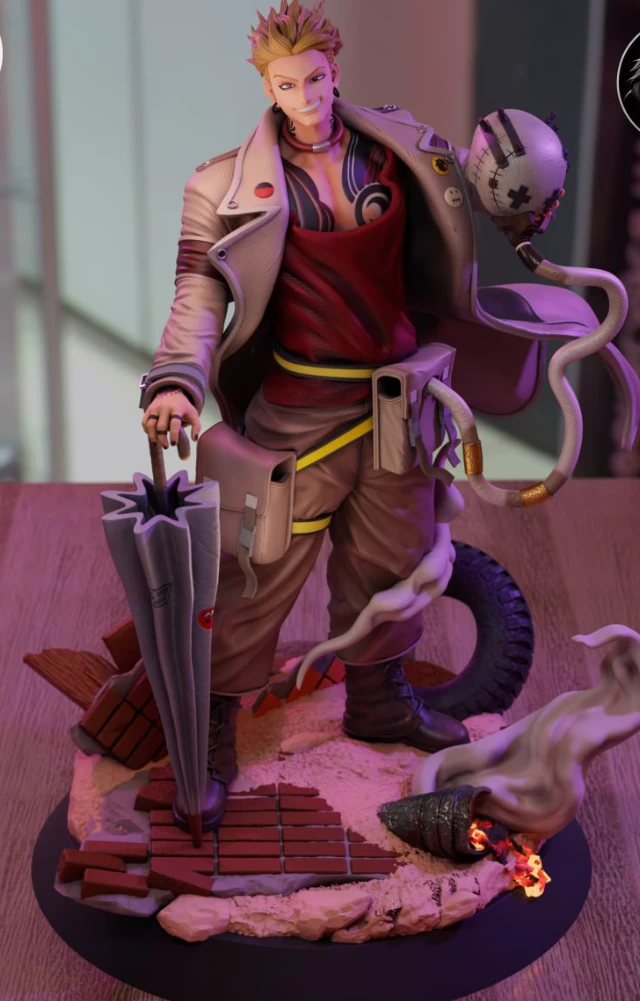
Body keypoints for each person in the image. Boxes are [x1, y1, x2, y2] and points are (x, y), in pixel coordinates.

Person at [140, 0, 560, 831]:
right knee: (254, 572)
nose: (304, 97)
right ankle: (215, 726)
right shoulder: (220, 185)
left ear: (335, 71)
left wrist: (524, 195)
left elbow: (480, 193)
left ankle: (378, 698)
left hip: (398, 396)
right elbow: (198, 292)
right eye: (285, 85)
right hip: (298, 403)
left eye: (316, 79)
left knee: (394, 562)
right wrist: (175, 380)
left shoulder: (404, 149)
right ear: (265, 86)